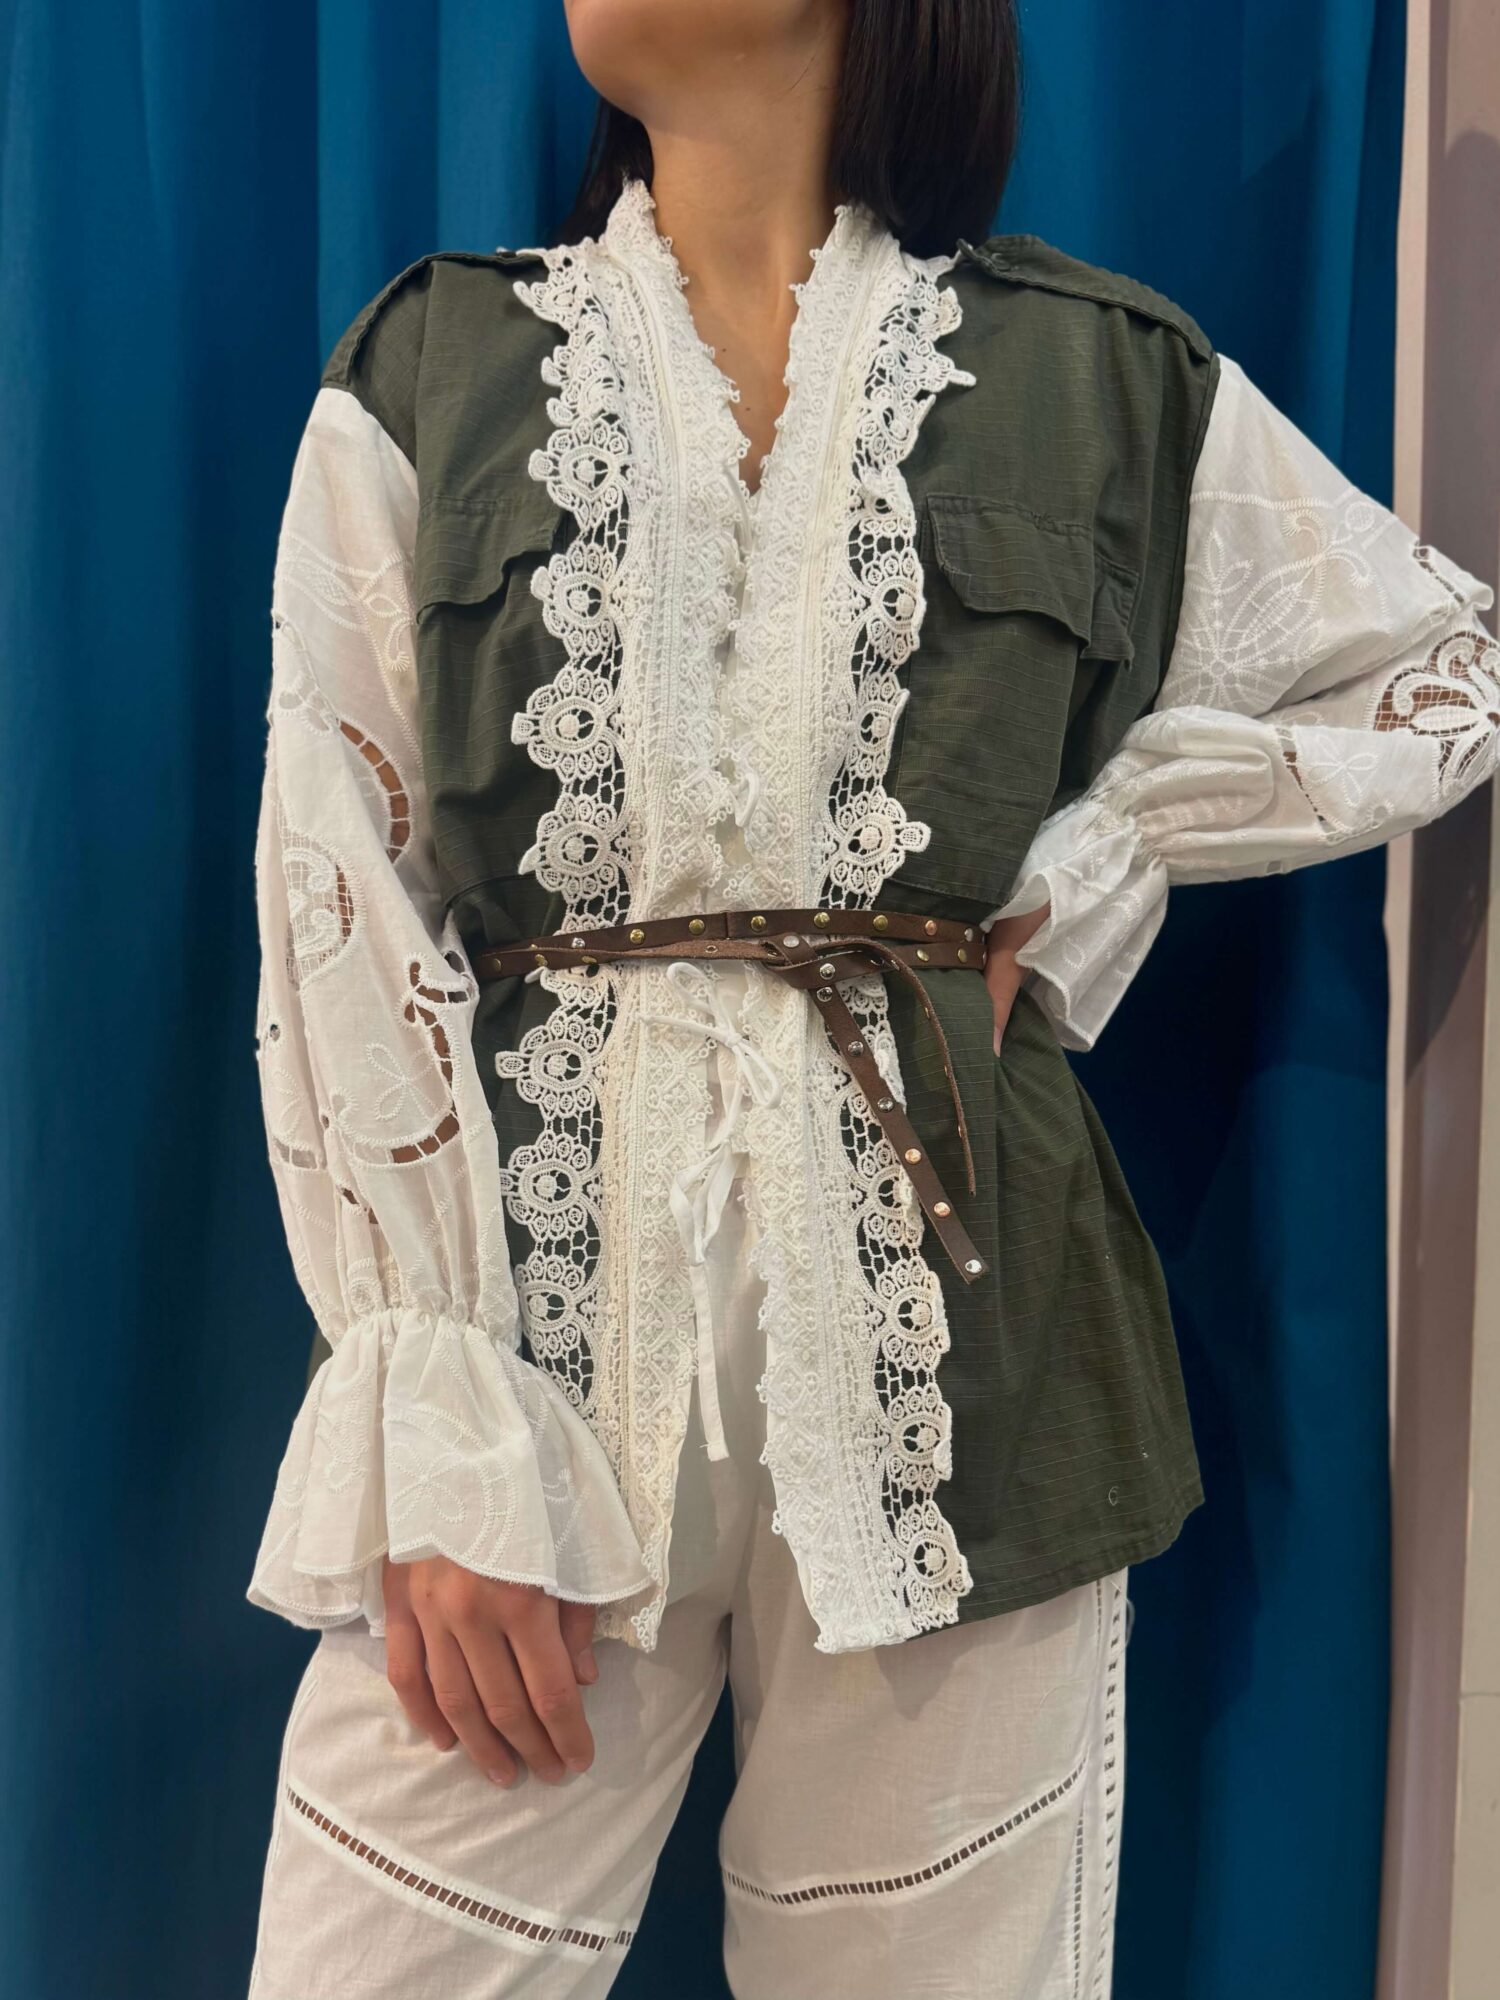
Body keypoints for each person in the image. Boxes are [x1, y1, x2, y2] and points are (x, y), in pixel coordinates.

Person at [244, 3, 1498, 1995]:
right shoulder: (433, 364)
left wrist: (1104, 863)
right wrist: (432, 1406)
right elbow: (333, 875)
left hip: (968, 1360)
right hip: (539, 1373)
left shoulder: (1100, 373)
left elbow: (1435, 671)